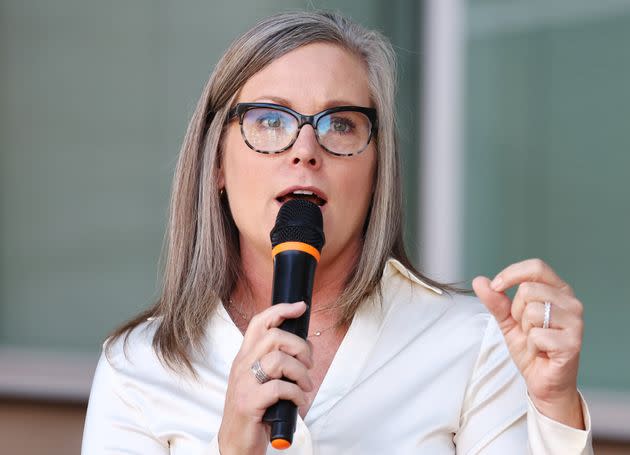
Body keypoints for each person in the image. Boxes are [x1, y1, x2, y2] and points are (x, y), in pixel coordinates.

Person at [81, 11, 593, 454]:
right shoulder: (137, 368)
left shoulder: (471, 342)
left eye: (340, 124)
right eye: (270, 121)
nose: (305, 149)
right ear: (216, 161)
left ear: (377, 169)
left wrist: (554, 409)